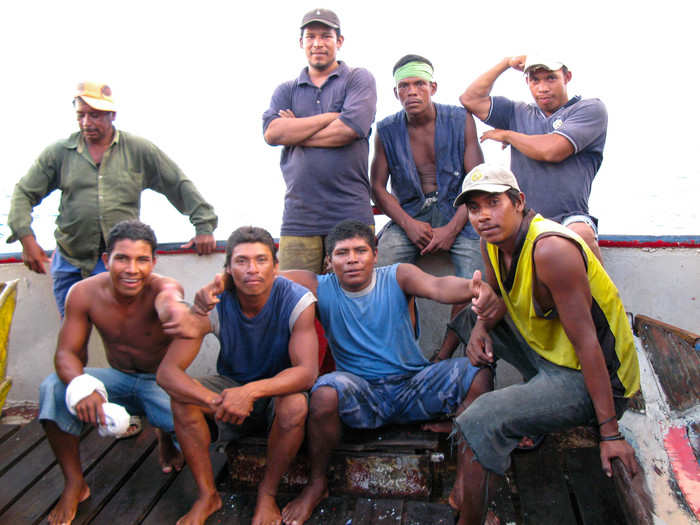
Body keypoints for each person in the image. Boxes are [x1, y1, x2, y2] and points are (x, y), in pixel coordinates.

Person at [196, 220, 501, 525]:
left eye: (360, 251)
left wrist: (475, 288)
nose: (352, 259)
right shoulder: (319, 286)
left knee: (479, 374)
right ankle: (318, 484)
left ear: (376, 255)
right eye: (342, 253)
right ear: (329, 261)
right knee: (324, 391)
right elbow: (263, 276)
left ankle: (465, 486)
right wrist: (218, 284)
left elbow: (438, 286)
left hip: (412, 386)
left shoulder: (398, 275)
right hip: (360, 395)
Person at [448, 164, 641, 524]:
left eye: (494, 202)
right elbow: (499, 298)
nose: (484, 216)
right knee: (466, 319)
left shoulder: (551, 250)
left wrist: (609, 433)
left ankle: (470, 513)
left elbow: (588, 344)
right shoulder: (490, 241)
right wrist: (480, 327)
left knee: (481, 421)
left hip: (592, 377)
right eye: (474, 208)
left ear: (519, 202)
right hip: (548, 352)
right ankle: (472, 466)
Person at [38, 220, 205, 525]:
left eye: (142, 260)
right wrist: (81, 385)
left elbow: (170, 300)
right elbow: (66, 353)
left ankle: (166, 438)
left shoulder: (164, 287)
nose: (132, 269)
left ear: (153, 262)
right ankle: (76, 483)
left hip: (161, 384)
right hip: (118, 381)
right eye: (122, 259)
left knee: (199, 430)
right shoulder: (83, 293)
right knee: (53, 388)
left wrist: (177, 311)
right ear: (106, 261)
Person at [8, 81, 218, 316]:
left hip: (122, 263)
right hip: (71, 261)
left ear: (112, 115)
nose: (87, 123)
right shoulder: (58, 153)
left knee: (124, 333)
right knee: (72, 330)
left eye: (96, 115)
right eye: (82, 115)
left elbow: (178, 185)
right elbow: (24, 193)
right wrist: (26, 238)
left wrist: (203, 226)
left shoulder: (139, 150)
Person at [157, 226, 319, 525]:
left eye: (261, 259)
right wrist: (215, 399)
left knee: (296, 404)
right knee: (182, 400)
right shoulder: (216, 302)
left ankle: (267, 494)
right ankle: (208, 495)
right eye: (242, 261)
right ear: (228, 268)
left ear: (276, 265)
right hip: (229, 388)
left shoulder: (296, 300)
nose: (252, 269)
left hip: (275, 393)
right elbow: (167, 373)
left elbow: (307, 373)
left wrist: (251, 392)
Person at [371, 54, 484, 362]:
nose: (412, 91)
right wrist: (407, 224)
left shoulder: (461, 119)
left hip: (459, 211)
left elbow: (476, 181)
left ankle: (444, 354)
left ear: (433, 86)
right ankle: (402, 354)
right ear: (396, 93)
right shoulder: (386, 129)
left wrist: (452, 228)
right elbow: (378, 187)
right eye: (404, 86)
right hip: (410, 215)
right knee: (381, 273)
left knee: (476, 279)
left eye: (419, 83)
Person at [263, 8, 377, 273]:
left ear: (339, 41)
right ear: (300, 42)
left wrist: (295, 132)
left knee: (355, 298)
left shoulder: (358, 79)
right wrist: (331, 117)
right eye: (310, 36)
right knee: (294, 299)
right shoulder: (286, 90)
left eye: (326, 36)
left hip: (351, 212)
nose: (317, 43)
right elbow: (272, 133)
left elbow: (349, 129)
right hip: (299, 217)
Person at [460, 55, 607, 261]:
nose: (543, 87)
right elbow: (471, 99)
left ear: (567, 77)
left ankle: (596, 295)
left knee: (581, 234)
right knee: (490, 244)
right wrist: (506, 63)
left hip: (569, 217)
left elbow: (553, 150)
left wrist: (508, 135)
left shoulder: (589, 109)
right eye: (534, 80)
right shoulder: (517, 112)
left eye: (550, 78)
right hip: (523, 219)